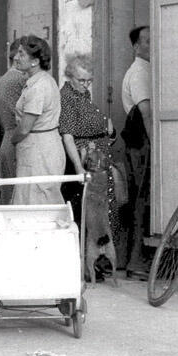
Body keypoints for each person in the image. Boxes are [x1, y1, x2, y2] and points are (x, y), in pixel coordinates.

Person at [58, 53, 118, 278]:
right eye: (81, 80)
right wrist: (79, 168)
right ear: (70, 76)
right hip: (81, 165)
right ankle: (83, 266)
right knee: (84, 215)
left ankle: (96, 263)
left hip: (97, 161)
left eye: (89, 80)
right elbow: (68, 137)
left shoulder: (82, 95)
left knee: (98, 215)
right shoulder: (67, 97)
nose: (86, 84)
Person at [11, 35, 64, 205]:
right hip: (43, 146)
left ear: (34, 61)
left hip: (39, 151)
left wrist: (13, 140)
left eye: (21, 54)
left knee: (35, 200)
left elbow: (25, 128)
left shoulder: (38, 87)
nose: (16, 57)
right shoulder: (42, 81)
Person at [121, 25, 152, 281]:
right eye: (147, 42)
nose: (152, 46)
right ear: (136, 46)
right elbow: (146, 112)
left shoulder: (147, 69)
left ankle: (137, 259)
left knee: (141, 200)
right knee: (141, 200)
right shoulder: (139, 72)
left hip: (140, 143)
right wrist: (156, 145)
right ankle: (136, 260)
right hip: (141, 144)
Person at [0, 40, 26, 203]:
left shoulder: (4, 79)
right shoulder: (19, 79)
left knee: (8, 195)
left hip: (8, 139)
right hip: (18, 141)